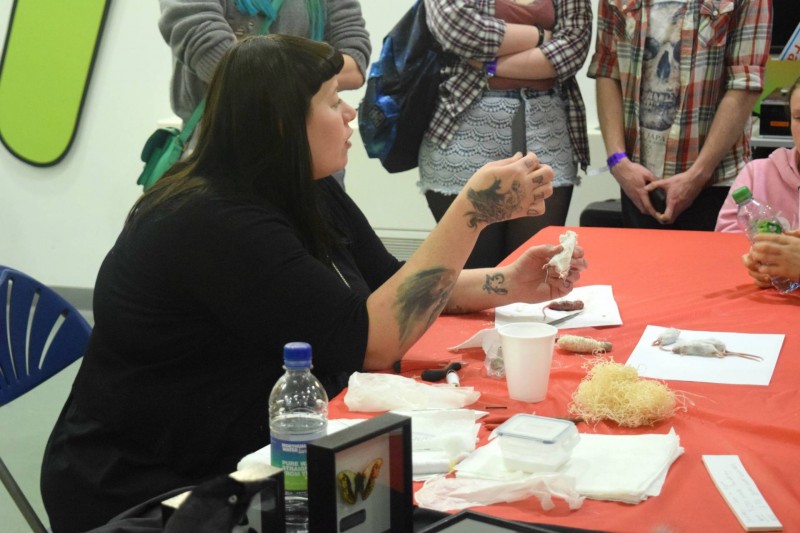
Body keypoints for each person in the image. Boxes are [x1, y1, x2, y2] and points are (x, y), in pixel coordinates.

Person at [41, 35, 586, 532]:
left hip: (242, 447)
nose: (349, 115)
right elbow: (375, 341)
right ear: (281, 123)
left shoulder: (303, 185)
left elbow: (392, 285)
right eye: (332, 100)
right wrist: (472, 211)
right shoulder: (214, 221)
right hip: (150, 486)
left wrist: (507, 283)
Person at [418, 0, 592, 268]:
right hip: (464, 132)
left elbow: (572, 49)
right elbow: (457, 29)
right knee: (475, 272)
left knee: (536, 271)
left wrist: (489, 66)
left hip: (548, 131)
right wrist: (541, 35)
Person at [588, 0, 772, 230]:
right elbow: (607, 69)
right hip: (637, 180)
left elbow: (744, 83)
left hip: (714, 183)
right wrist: (618, 161)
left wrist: (697, 175)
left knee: (709, 266)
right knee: (641, 265)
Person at [158, 0, 371, 186]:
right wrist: (313, 76)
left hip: (309, 160)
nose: (350, 114)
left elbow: (354, 59)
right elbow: (209, 49)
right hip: (226, 153)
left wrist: (278, 79)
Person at [716, 77, 800, 288]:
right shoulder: (757, 174)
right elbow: (721, 245)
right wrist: (756, 263)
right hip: (765, 304)